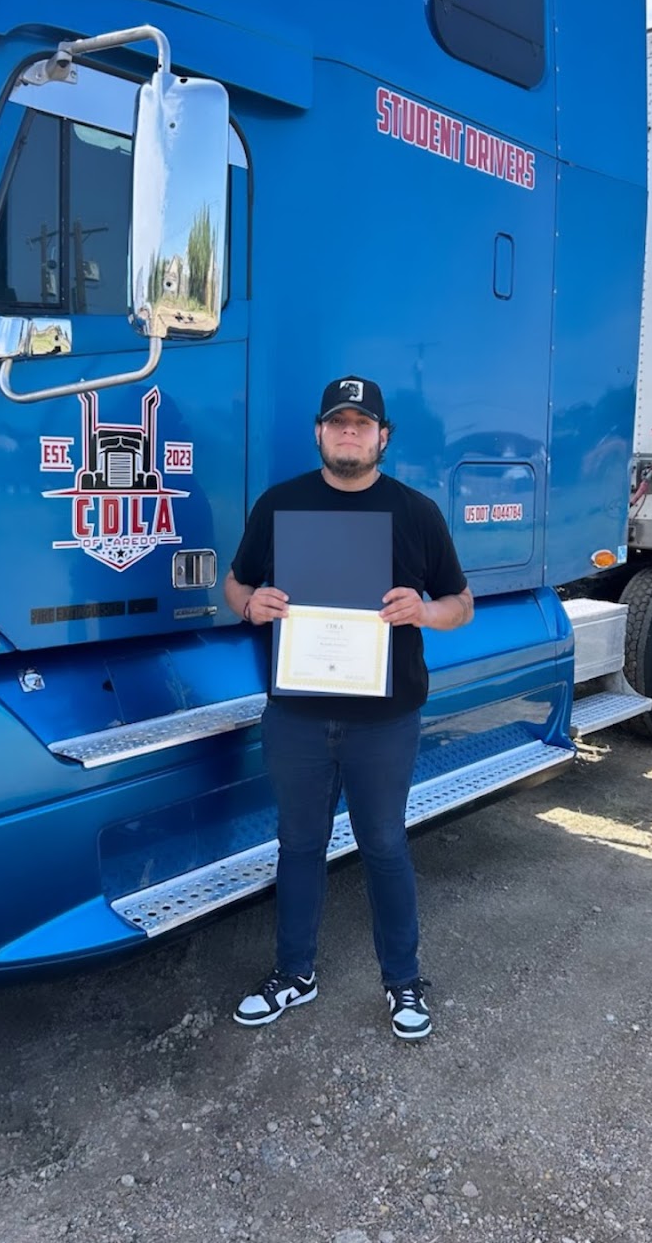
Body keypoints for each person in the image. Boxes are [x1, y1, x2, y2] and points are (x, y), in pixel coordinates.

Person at [224, 376, 474, 1040]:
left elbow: (461, 603)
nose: (349, 433)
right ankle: (294, 974)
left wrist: (424, 611)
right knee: (299, 844)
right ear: (319, 432)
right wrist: (249, 605)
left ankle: (403, 982)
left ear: (382, 437)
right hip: (298, 714)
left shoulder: (416, 513)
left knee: (384, 844)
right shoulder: (280, 505)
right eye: (338, 422)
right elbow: (235, 582)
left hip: (384, 720)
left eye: (362, 424)